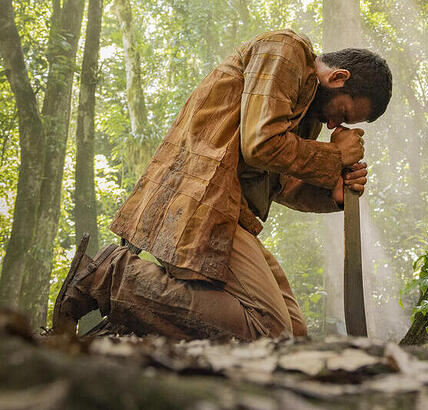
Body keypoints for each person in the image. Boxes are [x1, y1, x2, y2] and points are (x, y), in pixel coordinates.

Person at [52, 29, 392, 340]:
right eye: (342, 113)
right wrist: (333, 156)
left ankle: (137, 317)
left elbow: (281, 184)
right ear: (338, 76)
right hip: (200, 203)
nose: (334, 124)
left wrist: (330, 194)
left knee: (295, 339)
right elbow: (260, 145)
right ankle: (109, 277)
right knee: (270, 333)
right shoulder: (286, 51)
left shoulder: (307, 113)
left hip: (230, 216)